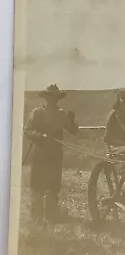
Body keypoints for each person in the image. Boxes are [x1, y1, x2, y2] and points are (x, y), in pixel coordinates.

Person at [24, 84, 79, 222]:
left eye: (55, 98)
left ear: (57, 99)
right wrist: (40, 136)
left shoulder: (62, 114)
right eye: (50, 97)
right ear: (45, 98)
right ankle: (36, 219)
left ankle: (51, 217)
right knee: (37, 186)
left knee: (53, 187)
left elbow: (73, 130)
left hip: (55, 155)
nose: (52, 100)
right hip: (40, 154)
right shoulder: (36, 113)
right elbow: (27, 131)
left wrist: (72, 119)